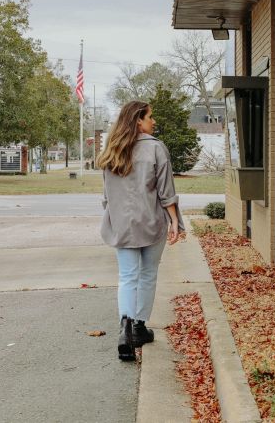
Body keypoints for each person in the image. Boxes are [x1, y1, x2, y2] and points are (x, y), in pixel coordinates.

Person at [97, 100, 184, 361]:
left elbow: (106, 196)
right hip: (152, 222)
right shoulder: (156, 149)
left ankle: (125, 327)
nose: (153, 121)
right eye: (150, 117)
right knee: (147, 275)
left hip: (122, 224)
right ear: (138, 120)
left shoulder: (111, 151)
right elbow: (166, 192)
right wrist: (175, 222)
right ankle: (140, 326)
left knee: (127, 276)